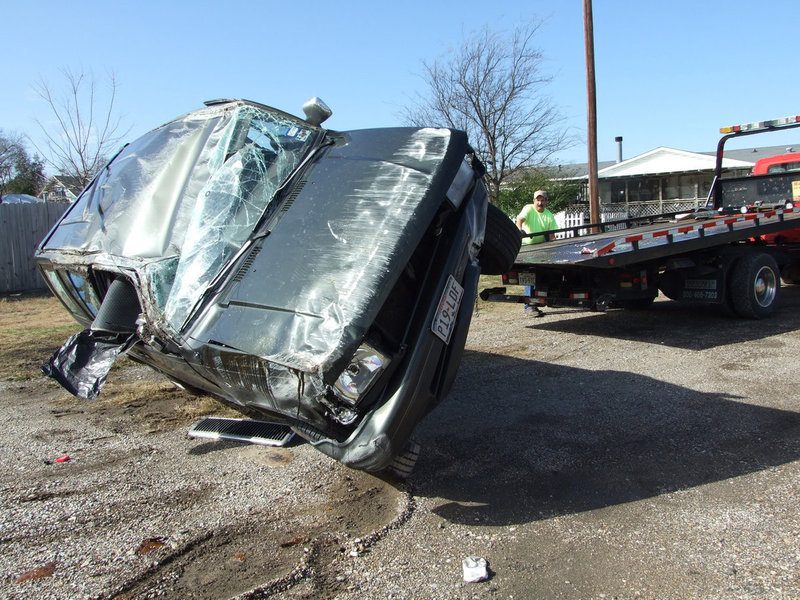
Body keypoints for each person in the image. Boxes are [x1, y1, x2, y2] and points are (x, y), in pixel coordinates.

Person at [515, 189, 557, 312]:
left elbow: (552, 236)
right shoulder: (528, 208)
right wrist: (519, 230)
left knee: (540, 273)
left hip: (541, 247)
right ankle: (529, 305)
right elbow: (520, 219)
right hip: (527, 246)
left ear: (546, 202)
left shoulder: (549, 215)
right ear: (534, 201)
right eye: (538, 200)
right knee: (528, 275)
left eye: (542, 200)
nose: (540, 203)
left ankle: (537, 301)